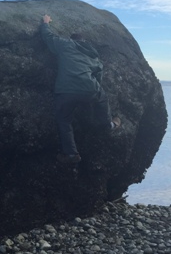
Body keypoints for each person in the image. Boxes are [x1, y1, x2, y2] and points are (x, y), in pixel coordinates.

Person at [40, 14, 120, 164]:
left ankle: (71, 154)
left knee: (64, 120)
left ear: (72, 39)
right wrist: (91, 91)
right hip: (89, 89)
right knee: (102, 98)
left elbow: (48, 36)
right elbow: (99, 75)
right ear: (84, 41)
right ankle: (108, 124)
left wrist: (45, 23)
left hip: (66, 91)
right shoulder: (92, 55)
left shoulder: (65, 45)